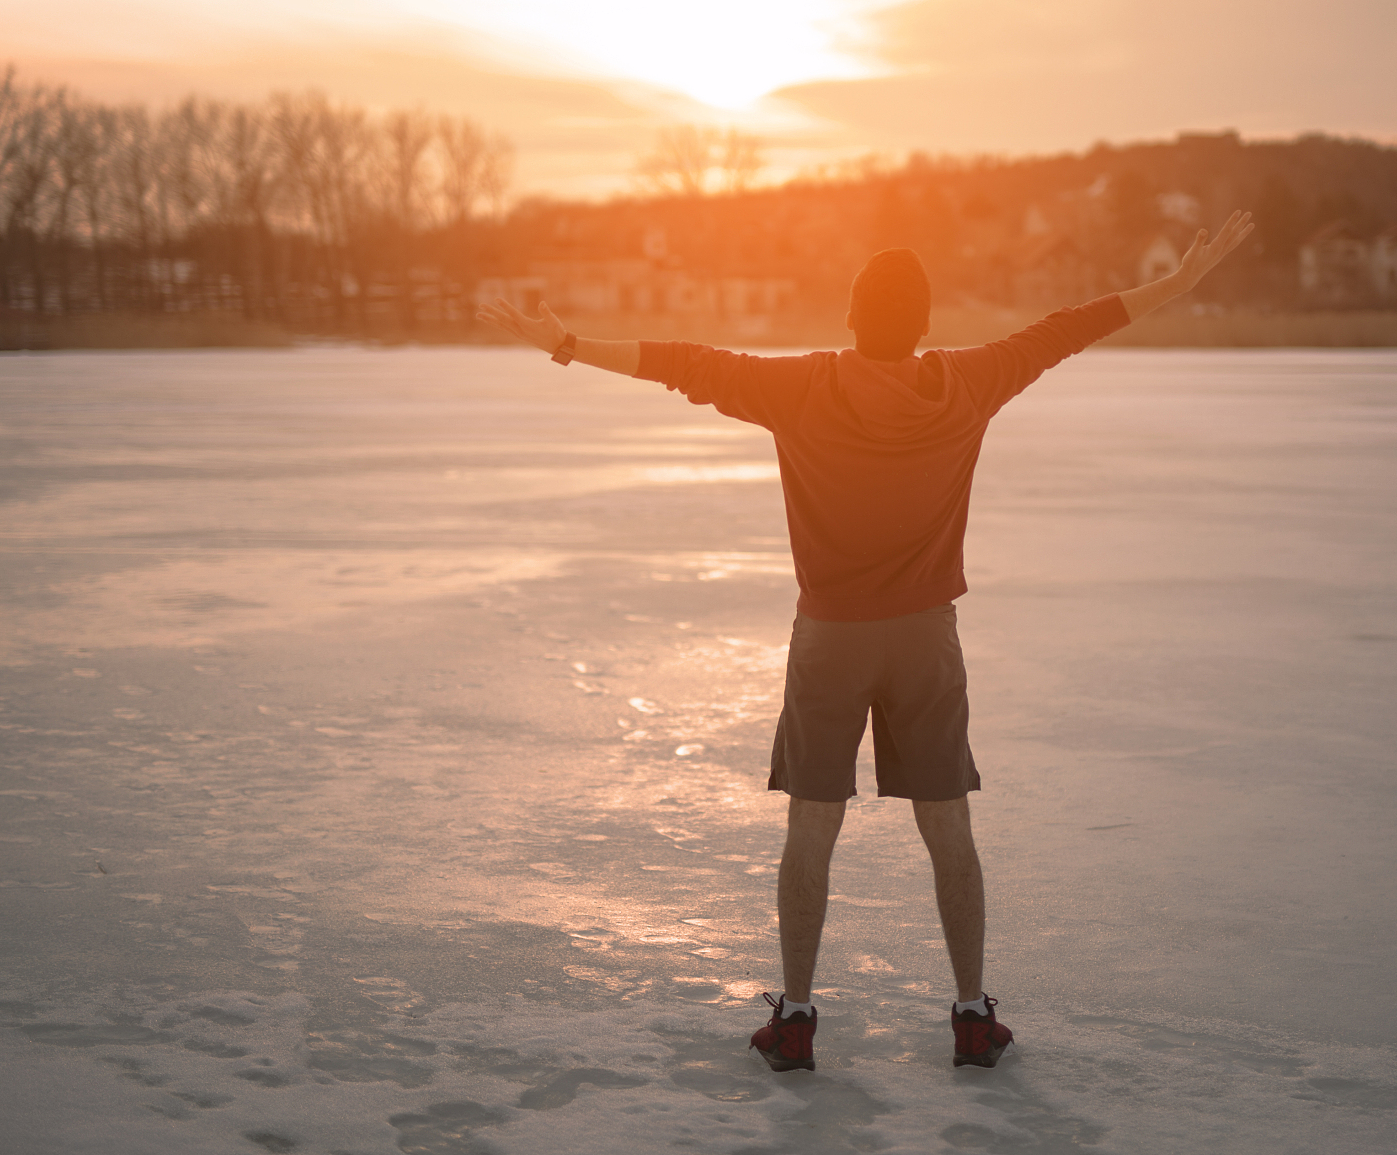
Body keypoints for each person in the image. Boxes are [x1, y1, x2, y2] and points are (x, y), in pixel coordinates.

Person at [479, 209, 1255, 1072]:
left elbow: (685, 365)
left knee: (810, 832)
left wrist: (567, 342)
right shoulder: (968, 379)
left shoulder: (803, 386)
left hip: (830, 639)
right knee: (948, 828)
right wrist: (1178, 283)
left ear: (851, 318)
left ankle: (798, 1019)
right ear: (924, 325)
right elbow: (1066, 329)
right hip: (926, 638)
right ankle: (970, 1016)